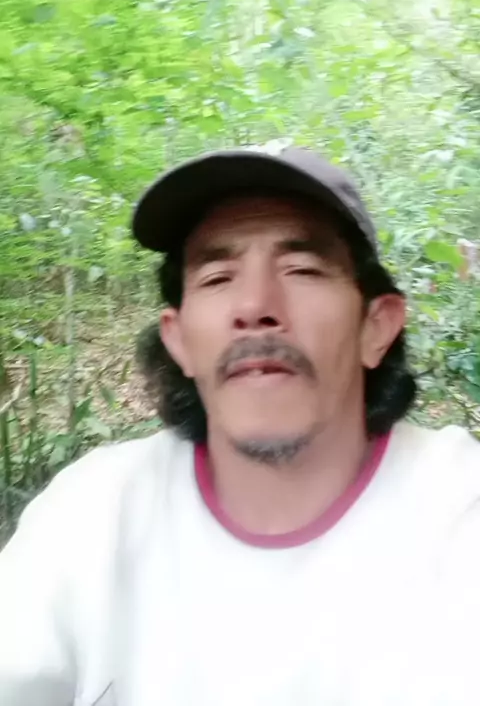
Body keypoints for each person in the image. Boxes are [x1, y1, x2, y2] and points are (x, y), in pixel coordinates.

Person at [0, 144, 479, 706]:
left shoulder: (459, 514)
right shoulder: (89, 517)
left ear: (376, 328)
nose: (254, 305)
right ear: (179, 340)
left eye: (302, 269)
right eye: (217, 276)